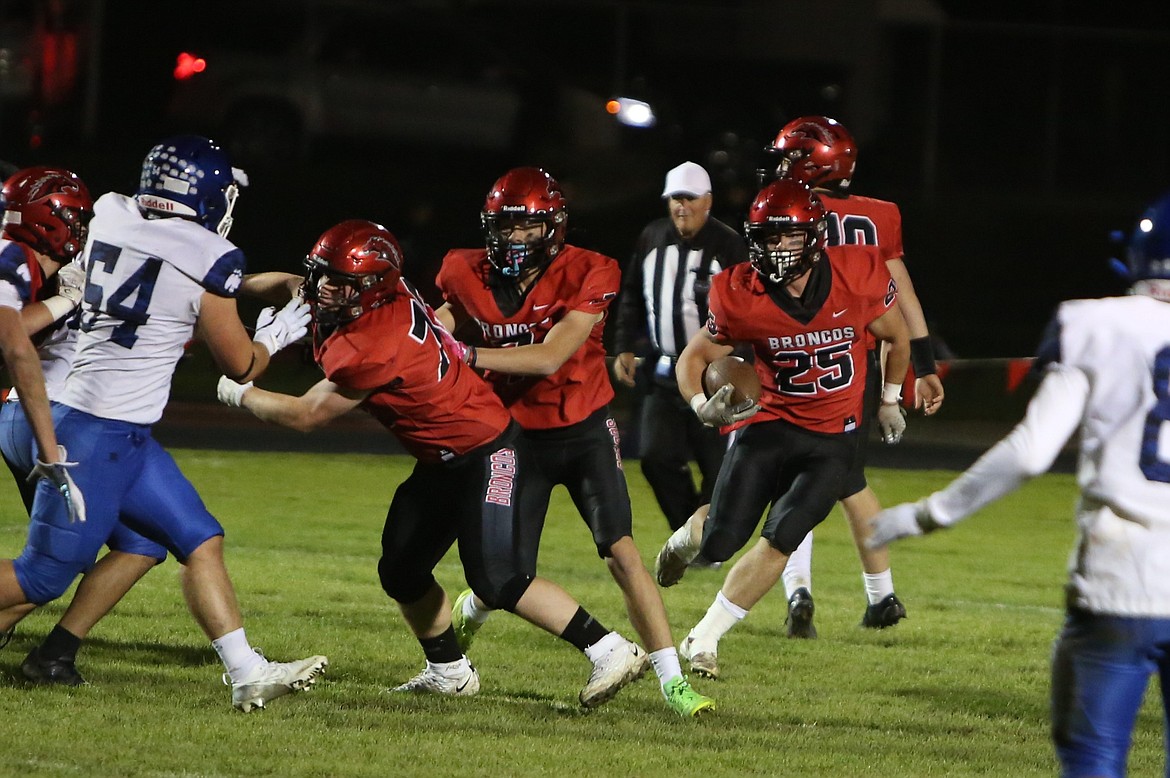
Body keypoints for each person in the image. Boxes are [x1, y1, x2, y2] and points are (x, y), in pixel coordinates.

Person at [217, 219, 659, 711]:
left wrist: (240, 391)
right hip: (441, 458)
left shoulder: (375, 340)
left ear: (372, 287)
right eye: (322, 275)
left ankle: (610, 648)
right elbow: (287, 283)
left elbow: (307, 414)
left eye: (339, 281)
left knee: (498, 578)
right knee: (402, 570)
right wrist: (223, 284)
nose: (324, 289)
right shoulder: (362, 294)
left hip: (488, 451)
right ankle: (449, 672)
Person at [0, 136, 326, 712]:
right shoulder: (209, 255)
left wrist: (257, 288)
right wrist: (277, 331)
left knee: (191, 536)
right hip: (94, 427)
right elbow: (241, 363)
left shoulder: (109, 211)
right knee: (44, 575)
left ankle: (244, 671)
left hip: (76, 414)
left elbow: (171, 284)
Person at [867, 191, 1170, 778]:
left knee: (1094, 760)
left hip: (1120, 579)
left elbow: (1031, 452)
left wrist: (927, 515)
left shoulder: (1093, 324)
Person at [434, 167, 715, 716]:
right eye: (505, 227)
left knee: (621, 551)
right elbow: (439, 323)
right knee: (503, 574)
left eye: (526, 228)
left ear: (553, 227)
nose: (514, 239)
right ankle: (467, 620)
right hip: (511, 437)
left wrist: (464, 355)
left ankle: (672, 682)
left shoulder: (591, 269)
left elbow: (549, 356)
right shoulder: (461, 269)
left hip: (582, 427)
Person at [654, 178, 911, 680]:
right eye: (767, 237)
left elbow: (896, 337)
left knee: (784, 535)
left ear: (813, 236)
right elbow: (694, 357)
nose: (776, 248)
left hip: (835, 435)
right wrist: (700, 403)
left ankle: (703, 638)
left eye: (787, 237)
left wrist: (890, 399)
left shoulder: (856, 272)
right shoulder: (741, 291)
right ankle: (684, 541)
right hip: (768, 424)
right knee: (722, 539)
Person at [757, 115, 944, 637]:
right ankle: (879, 595)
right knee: (846, 480)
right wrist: (922, 367)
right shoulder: (879, 215)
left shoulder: (792, 212)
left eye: (791, 157)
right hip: (856, 365)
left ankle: (799, 591)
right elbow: (900, 292)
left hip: (795, 357)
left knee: (794, 480)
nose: (781, 167)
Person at [0, 165, 166, 685]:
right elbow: (14, 339)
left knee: (88, 553)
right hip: (40, 417)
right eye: (73, 215)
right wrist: (69, 299)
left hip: (31, 415)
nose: (81, 225)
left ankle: (46, 652)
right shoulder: (14, 262)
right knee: (48, 568)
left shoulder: (28, 259)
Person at [610, 161, 748, 535]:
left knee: (718, 466)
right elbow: (632, 296)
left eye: (688, 198)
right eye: (675, 198)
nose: (681, 206)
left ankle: (708, 536)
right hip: (663, 373)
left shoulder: (730, 245)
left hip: (715, 377)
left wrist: (744, 365)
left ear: (707, 201)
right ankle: (689, 533)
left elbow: (750, 310)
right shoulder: (652, 237)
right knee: (656, 458)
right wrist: (623, 344)